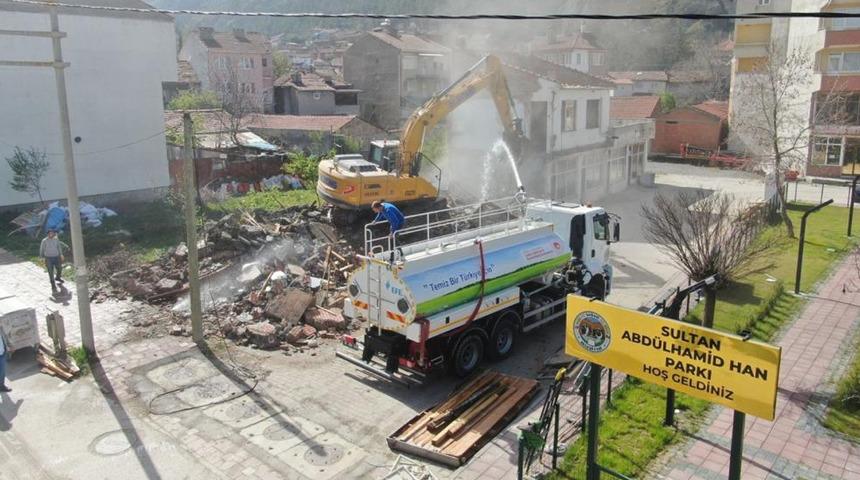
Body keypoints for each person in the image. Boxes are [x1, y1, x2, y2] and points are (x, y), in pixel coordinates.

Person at [40, 229, 68, 294]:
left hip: (56, 257)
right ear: (47, 234)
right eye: (50, 233)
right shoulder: (44, 241)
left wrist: (61, 254)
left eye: (52, 233)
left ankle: (58, 277)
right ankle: (53, 285)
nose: (51, 234)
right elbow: (42, 249)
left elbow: (59, 247)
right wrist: (41, 257)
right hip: (48, 258)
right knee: (50, 271)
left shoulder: (56, 240)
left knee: (59, 268)